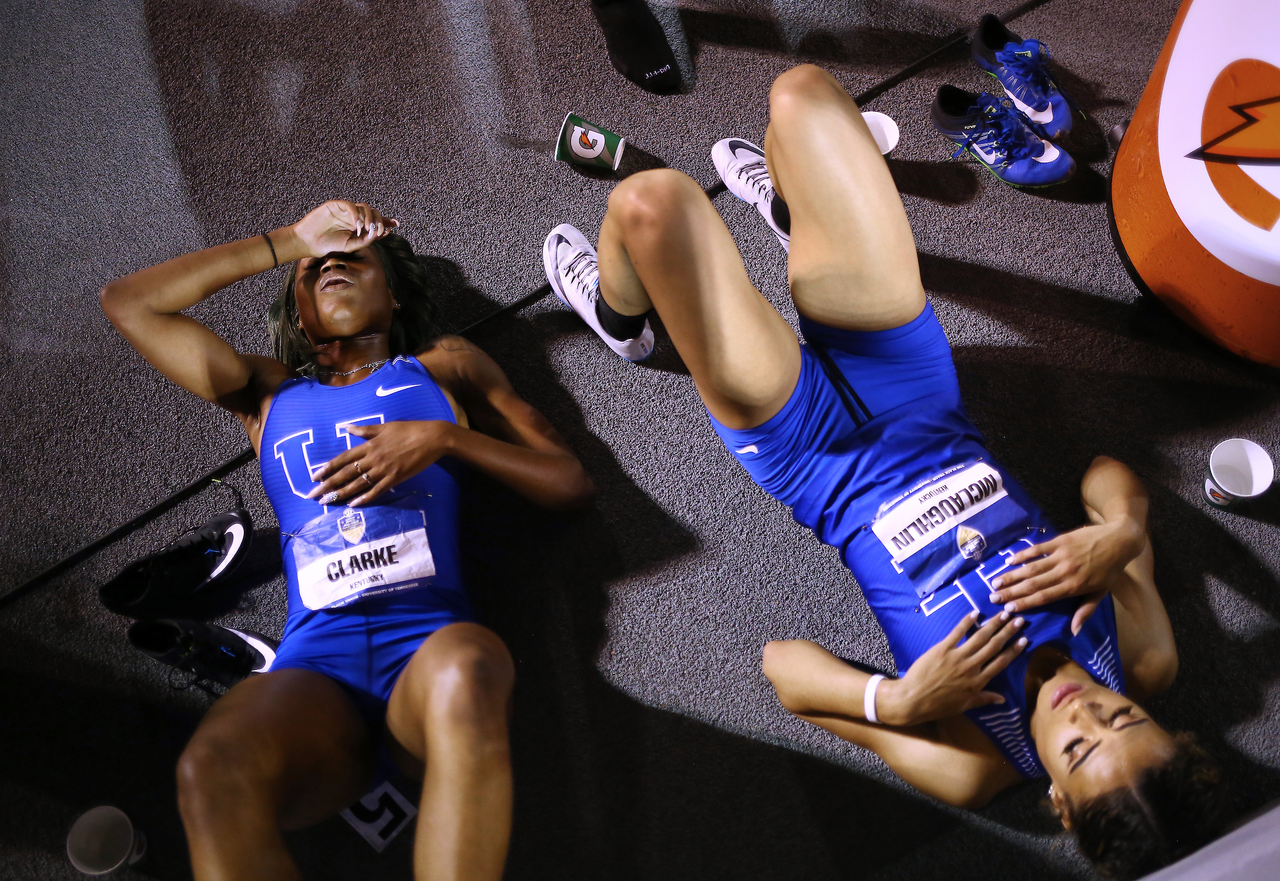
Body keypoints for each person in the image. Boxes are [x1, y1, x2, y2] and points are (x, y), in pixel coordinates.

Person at [541, 65, 1227, 879]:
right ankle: (795, 213)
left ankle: (622, 323)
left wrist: (894, 702)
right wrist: (1119, 535)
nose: (1085, 707)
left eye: (1078, 746)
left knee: (652, 203)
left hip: (816, 459)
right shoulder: (1143, 656)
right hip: (919, 400)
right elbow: (1110, 475)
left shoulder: (972, 758)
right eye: (1121, 716)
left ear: (1062, 805)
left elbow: (782, 668)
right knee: (803, 97)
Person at [101, 200, 595, 881]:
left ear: (391, 295)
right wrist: (287, 239)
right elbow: (129, 303)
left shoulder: (445, 366)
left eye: (352, 258)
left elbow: (569, 481)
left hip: (428, 647)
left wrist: (447, 437)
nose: (331, 262)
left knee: (468, 670)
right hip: (314, 671)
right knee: (209, 768)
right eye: (313, 268)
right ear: (297, 317)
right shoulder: (266, 393)